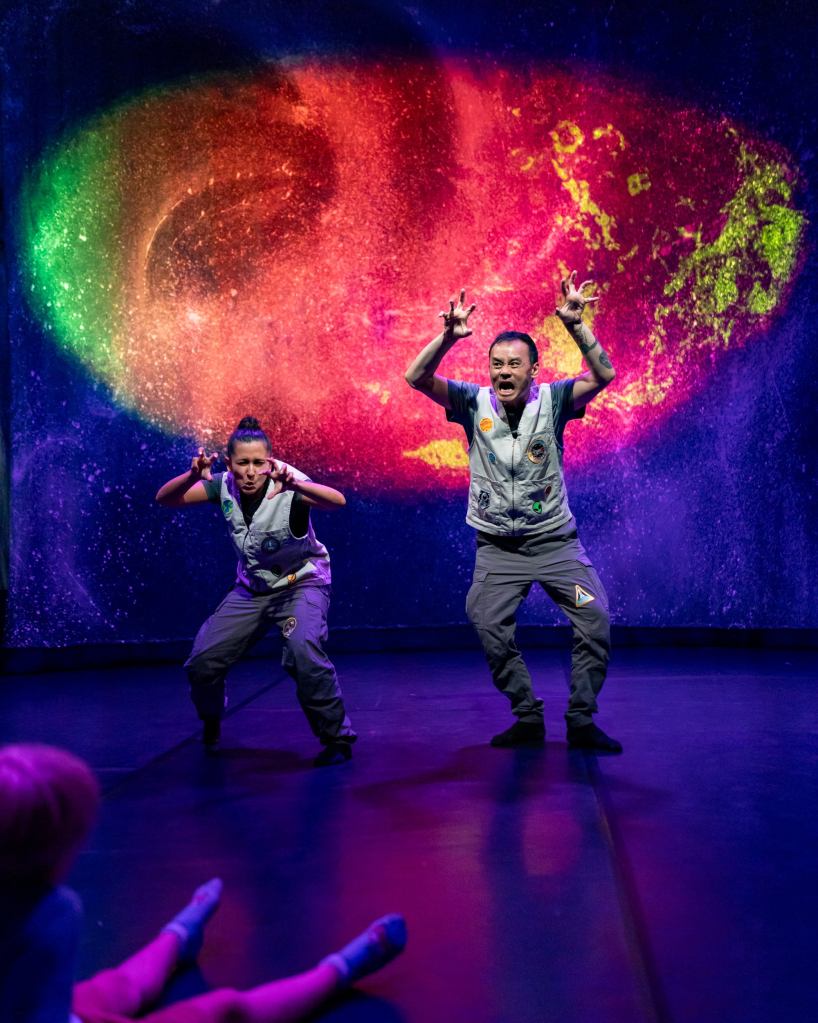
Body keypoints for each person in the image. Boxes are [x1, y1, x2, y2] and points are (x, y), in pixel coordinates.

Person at [0, 743, 407, 1023]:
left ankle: (179, 935)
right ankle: (336, 971)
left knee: (121, 984)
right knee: (223, 1010)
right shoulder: (53, 913)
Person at [405, 271, 622, 753]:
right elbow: (415, 378)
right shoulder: (472, 403)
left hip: (555, 545)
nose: (503, 372)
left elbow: (603, 376)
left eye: (514, 364)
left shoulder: (555, 401)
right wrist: (447, 338)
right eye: (497, 364)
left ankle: (581, 719)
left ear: (533, 369)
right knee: (486, 623)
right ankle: (527, 715)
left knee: (595, 619)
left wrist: (575, 325)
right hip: (498, 550)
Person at [156, 416, 356, 768]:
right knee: (203, 662)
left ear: (270, 462)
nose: (250, 472)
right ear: (229, 463)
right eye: (243, 463)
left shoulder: (288, 484)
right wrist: (191, 475)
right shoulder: (223, 486)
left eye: (258, 463)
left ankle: (336, 738)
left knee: (302, 650)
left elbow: (337, 501)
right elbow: (166, 499)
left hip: (300, 583)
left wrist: (296, 484)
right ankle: (211, 718)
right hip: (253, 589)